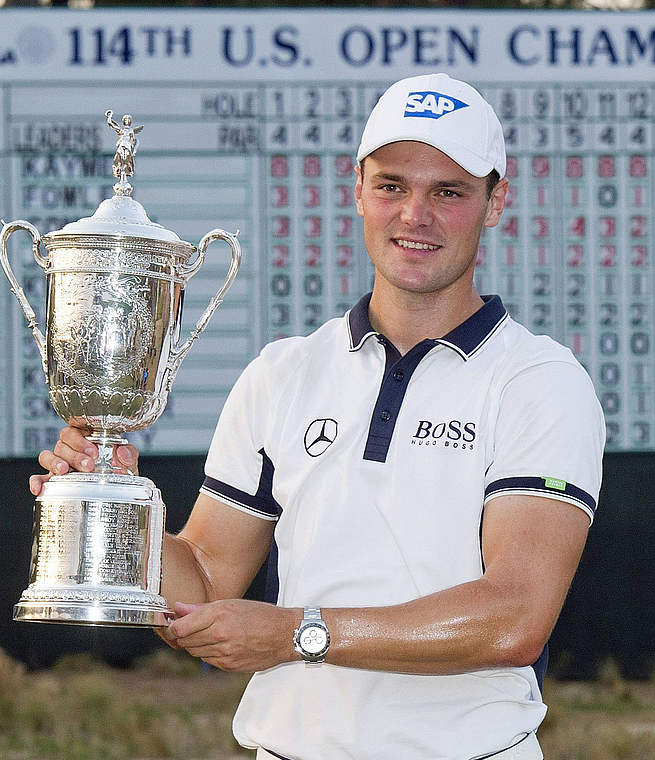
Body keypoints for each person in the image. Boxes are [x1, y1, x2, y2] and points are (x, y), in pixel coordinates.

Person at [32, 73, 605, 759]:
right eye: (392, 185)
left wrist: (297, 633)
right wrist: (118, 501)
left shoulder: (537, 380)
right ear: (358, 190)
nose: (414, 215)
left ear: (495, 202)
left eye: (447, 192)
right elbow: (205, 584)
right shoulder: (283, 373)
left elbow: (515, 617)